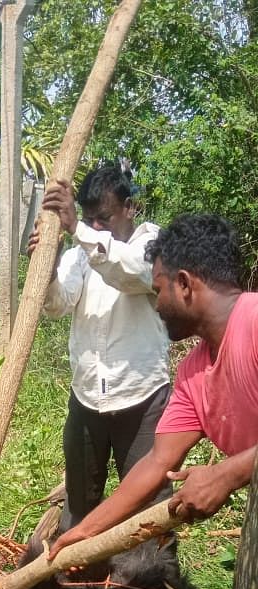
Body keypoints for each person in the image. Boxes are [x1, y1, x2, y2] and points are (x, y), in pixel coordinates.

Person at [48, 213, 258, 560]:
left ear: (186, 284)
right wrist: (84, 530)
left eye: (159, 290)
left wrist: (225, 474)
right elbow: (157, 462)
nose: (157, 304)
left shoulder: (253, 323)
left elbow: (225, 472)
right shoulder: (194, 372)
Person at [28, 165, 170, 530]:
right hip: (87, 398)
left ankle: (154, 586)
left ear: (130, 207)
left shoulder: (150, 243)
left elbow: (132, 272)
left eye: (104, 218)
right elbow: (58, 304)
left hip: (141, 399)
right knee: (79, 505)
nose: (97, 226)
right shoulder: (79, 255)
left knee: (148, 511)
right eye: (91, 219)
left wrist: (78, 228)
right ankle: (78, 581)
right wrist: (45, 267)